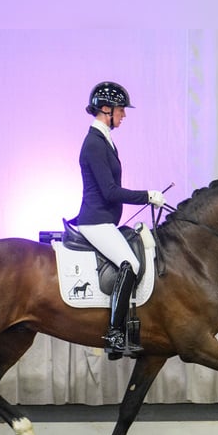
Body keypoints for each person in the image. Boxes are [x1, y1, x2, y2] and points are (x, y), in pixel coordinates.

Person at [72, 81, 166, 358]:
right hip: (94, 221)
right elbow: (110, 191)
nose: (123, 115)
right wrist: (147, 195)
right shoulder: (93, 143)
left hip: (104, 220)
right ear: (105, 109)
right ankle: (114, 333)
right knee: (130, 264)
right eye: (121, 110)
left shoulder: (104, 140)